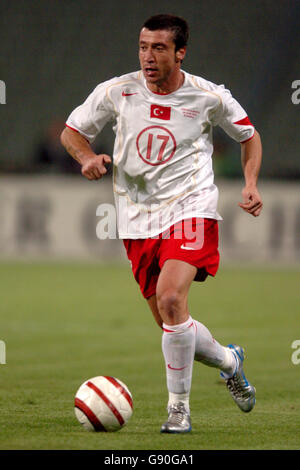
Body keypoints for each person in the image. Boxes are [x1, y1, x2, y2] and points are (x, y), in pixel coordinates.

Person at [60, 14, 263, 433]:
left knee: (171, 298)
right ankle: (229, 360)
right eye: (142, 47)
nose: (147, 57)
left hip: (191, 209)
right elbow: (72, 131)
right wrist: (87, 158)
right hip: (136, 221)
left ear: (180, 52)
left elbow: (248, 136)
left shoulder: (209, 96)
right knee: (171, 320)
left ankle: (179, 410)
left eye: (158, 48)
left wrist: (250, 183)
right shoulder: (118, 91)